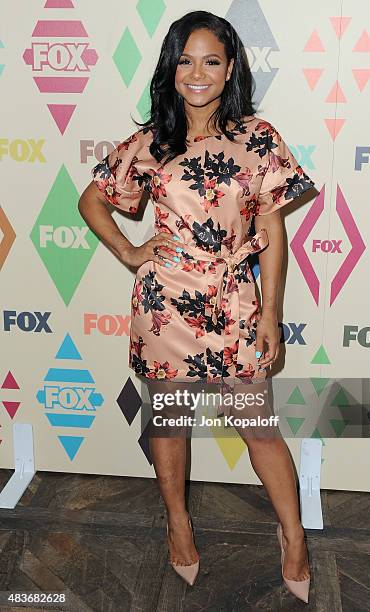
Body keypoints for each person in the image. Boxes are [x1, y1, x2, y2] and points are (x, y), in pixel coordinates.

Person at [78, 10, 315, 603]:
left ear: (231, 67)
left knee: (258, 427)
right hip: (165, 307)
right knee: (170, 421)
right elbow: (92, 201)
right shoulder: (152, 140)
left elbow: (272, 232)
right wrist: (131, 252)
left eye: (212, 60)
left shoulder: (259, 138)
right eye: (185, 60)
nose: (198, 73)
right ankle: (178, 526)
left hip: (236, 302)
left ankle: (293, 537)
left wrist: (270, 314)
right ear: (171, 68)